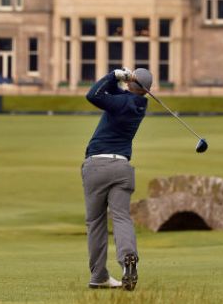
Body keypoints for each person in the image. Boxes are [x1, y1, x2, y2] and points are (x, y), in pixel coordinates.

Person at [81, 67, 151, 291]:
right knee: (121, 218)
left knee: (96, 223)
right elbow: (113, 93)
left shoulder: (120, 102)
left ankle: (99, 275)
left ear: (132, 84)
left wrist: (114, 74)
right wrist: (122, 80)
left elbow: (93, 94)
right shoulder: (138, 104)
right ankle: (128, 258)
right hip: (122, 167)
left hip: (97, 166)